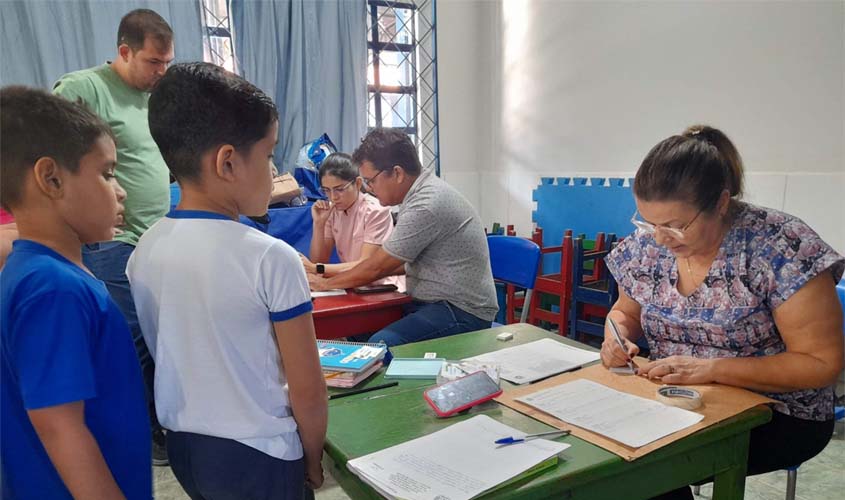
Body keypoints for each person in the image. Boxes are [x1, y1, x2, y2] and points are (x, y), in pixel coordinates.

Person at [601, 125, 844, 500]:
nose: (661, 238)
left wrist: (712, 370)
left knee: (645, 467)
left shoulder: (779, 246)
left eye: (676, 225)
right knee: (605, 451)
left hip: (779, 413)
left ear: (721, 203)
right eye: (649, 223)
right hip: (676, 399)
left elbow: (821, 363)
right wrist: (615, 336)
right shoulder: (649, 246)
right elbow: (625, 312)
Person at [128, 62, 327, 499]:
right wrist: (313, 457)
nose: (275, 172)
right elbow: (308, 389)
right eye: (270, 154)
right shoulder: (269, 257)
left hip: (184, 445)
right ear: (229, 161)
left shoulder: (145, 250)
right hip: (260, 454)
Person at [0, 87, 150, 499]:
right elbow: (59, 425)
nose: (120, 191)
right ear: (51, 178)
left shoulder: (43, 272)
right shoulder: (50, 287)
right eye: (106, 173)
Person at [52, 8, 175, 465]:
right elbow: (60, 161)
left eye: (166, 64)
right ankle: (147, 431)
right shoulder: (83, 89)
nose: (160, 73)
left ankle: (163, 421)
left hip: (155, 235)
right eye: (152, 63)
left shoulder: (153, 98)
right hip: (109, 239)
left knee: (160, 332)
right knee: (134, 337)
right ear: (124, 51)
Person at [308, 129, 498, 346]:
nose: (370, 189)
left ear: (397, 173)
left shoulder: (425, 204)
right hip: (429, 302)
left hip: (461, 310)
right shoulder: (419, 194)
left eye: (371, 181)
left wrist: (325, 284)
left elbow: (377, 267)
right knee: (356, 334)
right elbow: (394, 264)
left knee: (379, 346)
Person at [300, 152, 404, 291]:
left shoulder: (375, 211)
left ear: (358, 183)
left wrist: (316, 269)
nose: (333, 197)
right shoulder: (333, 211)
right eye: (327, 191)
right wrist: (319, 224)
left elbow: (366, 265)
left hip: (382, 287)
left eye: (339, 189)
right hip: (352, 284)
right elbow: (319, 260)